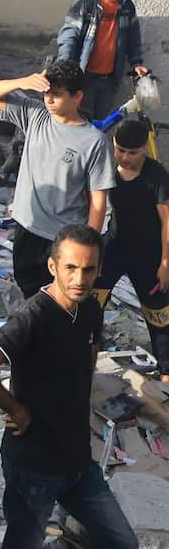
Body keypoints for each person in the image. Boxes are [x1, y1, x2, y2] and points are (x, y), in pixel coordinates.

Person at [0, 225, 139, 549]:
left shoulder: (90, 308)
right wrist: (15, 408)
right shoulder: (33, 317)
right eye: (71, 268)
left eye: (89, 269)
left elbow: (87, 359)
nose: (80, 278)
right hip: (33, 469)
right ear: (52, 267)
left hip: (77, 463)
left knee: (121, 543)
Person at [0, 60, 115, 296]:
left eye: (57, 95)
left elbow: (98, 201)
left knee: (59, 303)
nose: (49, 100)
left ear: (77, 97)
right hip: (27, 227)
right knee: (29, 294)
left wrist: (89, 247)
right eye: (47, 93)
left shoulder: (94, 142)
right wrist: (24, 82)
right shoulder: (36, 115)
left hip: (63, 238)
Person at [92, 119, 169, 380]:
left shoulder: (156, 175)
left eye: (132, 152)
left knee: (158, 312)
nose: (124, 157)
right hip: (113, 246)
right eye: (119, 150)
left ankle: (166, 368)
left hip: (148, 255)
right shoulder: (105, 168)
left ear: (144, 149)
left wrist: (165, 264)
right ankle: (89, 350)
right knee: (92, 300)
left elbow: (167, 222)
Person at [58, 0, 149, 118]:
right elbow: (68, 37)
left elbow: (133, 39)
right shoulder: (86, 5)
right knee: (80, 125)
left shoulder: (127, 7)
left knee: (101, 126)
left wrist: (136, 63)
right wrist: (65, 69)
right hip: (84, 78)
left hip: (109, 81)